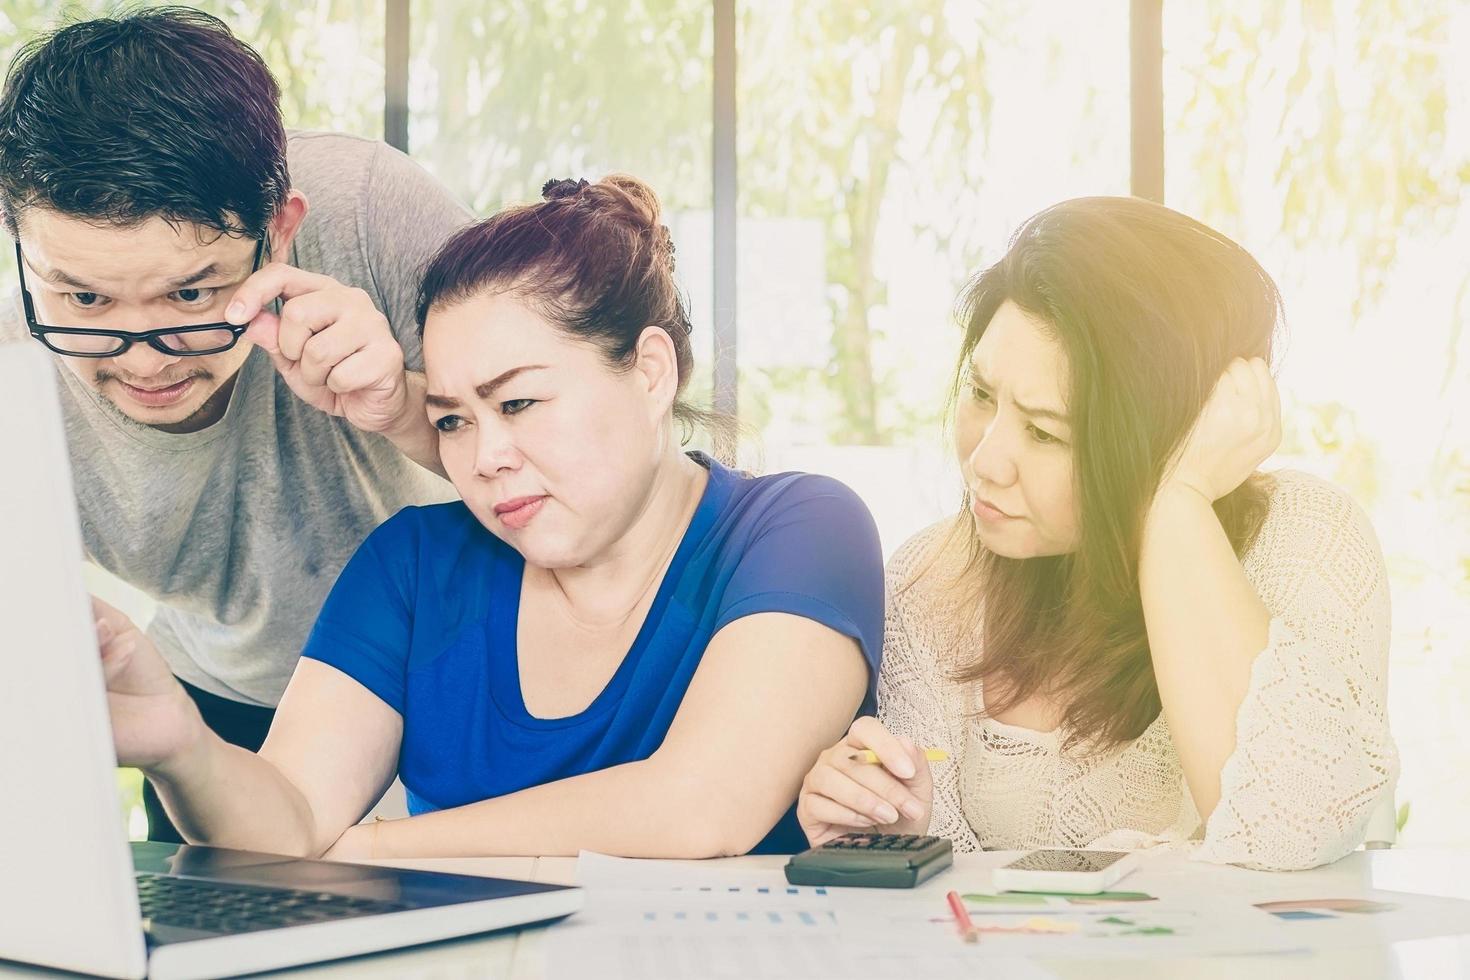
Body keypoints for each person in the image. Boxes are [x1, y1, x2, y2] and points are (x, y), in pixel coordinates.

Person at [91, 174, 886, 858]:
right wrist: (183, 746)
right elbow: (289, 820)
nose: (485, 456)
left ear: (650, 373)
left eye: (519, 403)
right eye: (451, 420)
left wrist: (368, 847)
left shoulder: (799, 530)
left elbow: (703, 805)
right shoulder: (412, 566)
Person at [796, 196, 1398, 872]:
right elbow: (959, 917)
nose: (985, 461)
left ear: (1165, 437)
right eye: (983, 395)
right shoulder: (931, 582)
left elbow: (1290, 835)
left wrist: (1176, 500)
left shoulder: (1306, 540)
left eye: (1046, 431)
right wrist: (898, 825)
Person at [0, 8, 470, 839]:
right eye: (84, 299)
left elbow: (573, 467)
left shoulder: (369, 211)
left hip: (445, 677)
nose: (145, 361)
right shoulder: (15, 357)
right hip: (214, 703)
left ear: (281, 231)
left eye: (191, 295)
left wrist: (404, 405)